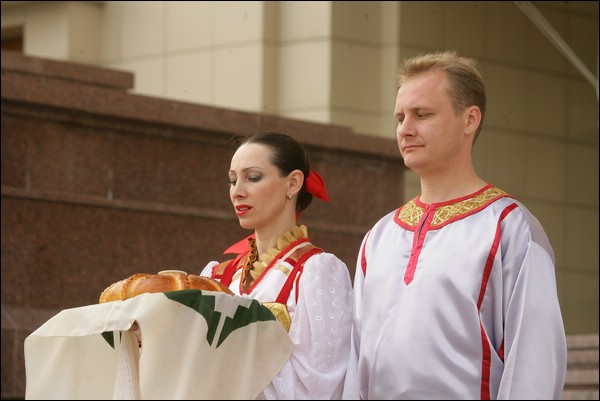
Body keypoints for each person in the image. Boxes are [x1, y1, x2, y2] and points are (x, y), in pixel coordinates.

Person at [342, 50, 567, 400]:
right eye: (400, 118)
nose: (405, 129)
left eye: (422, 115)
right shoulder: (379, 236)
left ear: (470, 119)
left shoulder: (509, 226)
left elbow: (534, 365)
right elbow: (356, 359)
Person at [200, 131, 354, 399]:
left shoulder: (317, 271)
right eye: (232, 180)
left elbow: (321, 385)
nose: (237, 192)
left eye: (253, 177)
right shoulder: (216, 275)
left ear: (293, 183)